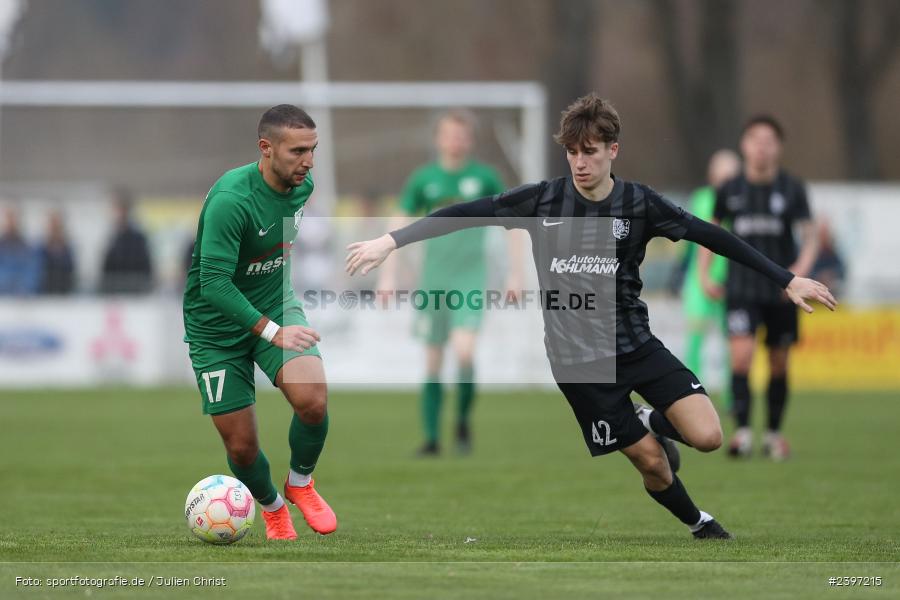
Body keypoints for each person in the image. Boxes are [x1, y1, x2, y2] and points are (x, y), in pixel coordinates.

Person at [346, 94, 836, 539]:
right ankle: (699, 522)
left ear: (613, 151)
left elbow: (713, 236)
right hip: (578, 363)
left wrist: (785, 279)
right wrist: (391, 241)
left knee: (708, 436)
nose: (580, 163)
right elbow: (463, 213)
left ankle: (646, 417)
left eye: (591, 152)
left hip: (637, 344)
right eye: (573, 152)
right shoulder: (542, 200)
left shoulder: (640, 204)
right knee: (654, 463)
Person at [182, 104, 336, 540]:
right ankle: (271, 507)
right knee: (242, 446)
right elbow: (212, 283)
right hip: (215, 329)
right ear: (266, 149)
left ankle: (300, 485)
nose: (308, 161)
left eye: (313, 150)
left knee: (314, 401)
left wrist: (276, 318)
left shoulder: (302, 186)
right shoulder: (232, 200)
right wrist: (270, 330)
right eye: (298, 151)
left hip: (276, 305)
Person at [379, 109, 509, 456]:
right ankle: (432, 439)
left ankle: (463, 419)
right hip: (433, 278)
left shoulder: (485, 178)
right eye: (449, 134)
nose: (455, 140)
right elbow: (399, 221)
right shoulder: (424, 179)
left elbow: (515, 223)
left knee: (464, 352)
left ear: (470, 139)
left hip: (470, 277)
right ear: (438, 138)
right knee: (433, 360)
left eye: (461, 134)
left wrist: (516, 275)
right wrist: (389, 275)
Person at [701, 116, 819, 461]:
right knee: (741, 357)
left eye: (769, 140)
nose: (761, 146)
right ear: (744, 145)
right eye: (755, 139)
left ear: (778, 147)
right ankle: (741, 433)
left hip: (784, 290)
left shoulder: (792, 189)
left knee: (779, 362)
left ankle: (773, 434)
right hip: (740, 287)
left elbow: (810, 236)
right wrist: (705, 274)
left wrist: (799, 271)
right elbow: (709, 233)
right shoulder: (729, 189)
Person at [679, 150, 741, 406]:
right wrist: (693, 275)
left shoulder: (741, 200)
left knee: (734, 341)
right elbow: (691, 243)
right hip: (699, 279)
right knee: (695, 339)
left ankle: (732, 398)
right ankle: (691, 395)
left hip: (732, 279)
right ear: (712, 175)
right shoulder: (701, 199)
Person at [99, 190, 154, 294]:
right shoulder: (112, 237)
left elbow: (145, 266)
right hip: (114, 292)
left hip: (135, 292)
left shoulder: (138, 238)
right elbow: (106, 268)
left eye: (119, 210)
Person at [0, 206, 41, 295]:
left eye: (13, 219)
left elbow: (32, 275)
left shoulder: (27, 249)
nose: (11, 223)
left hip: (22, 300)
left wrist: (22, 287)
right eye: (8, 219)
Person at [38, 209, 76, 295]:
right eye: (52, 224)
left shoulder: (68, 248)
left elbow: (71, 269)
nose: (54, 228)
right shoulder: (41, 248)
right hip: (44, 292)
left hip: (64, 292)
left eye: (57, 224)